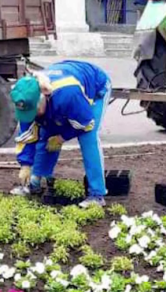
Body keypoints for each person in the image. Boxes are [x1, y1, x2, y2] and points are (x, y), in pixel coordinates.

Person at [10, 60, 111, 207]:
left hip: (96, 87)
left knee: (88, 138)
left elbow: (86, 123)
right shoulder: (26, 99)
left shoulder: (68, 95)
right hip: (63, 91)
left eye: (34, 111)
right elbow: (27, 135)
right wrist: (25, 164)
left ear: (42, 96)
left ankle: (97, 194)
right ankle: (34, 182)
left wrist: (62, 137)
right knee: (46, 132)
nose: (32, 116)